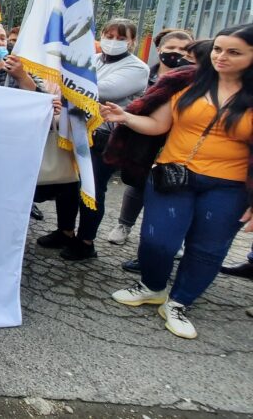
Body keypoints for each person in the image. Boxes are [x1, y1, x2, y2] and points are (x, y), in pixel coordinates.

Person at [104, 24, 253, 339]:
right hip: (172, 175)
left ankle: (178, 302)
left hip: (230, 187)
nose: (221, 57)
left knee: (207, 250)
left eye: (233, 52)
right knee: (158, 241)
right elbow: (159, 124)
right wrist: (126, 117)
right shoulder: (186, 81)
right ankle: (152, 287)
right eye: (217, 49)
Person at [37, 18, 150, 261]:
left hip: (105, 137)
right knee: (68, 184)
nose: (114, 42)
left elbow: (103, 90)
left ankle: (86, 241)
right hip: (74, 128)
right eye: (109, 36)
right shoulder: (94, 60)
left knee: (92, 187)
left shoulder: (137, 68)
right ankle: (65, 231)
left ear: (132, 41)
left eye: (121, 38)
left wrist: (66, 78)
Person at [106, 30, 195, 246]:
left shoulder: (195, 82)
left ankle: (170, 237)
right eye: (171, 48)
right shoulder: (147, 75)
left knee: (170, 190)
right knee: (137, 183)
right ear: (159, 50)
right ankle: (124, 224)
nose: (176, 54)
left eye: (183, 50)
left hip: (177, 146)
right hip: (143, 140)